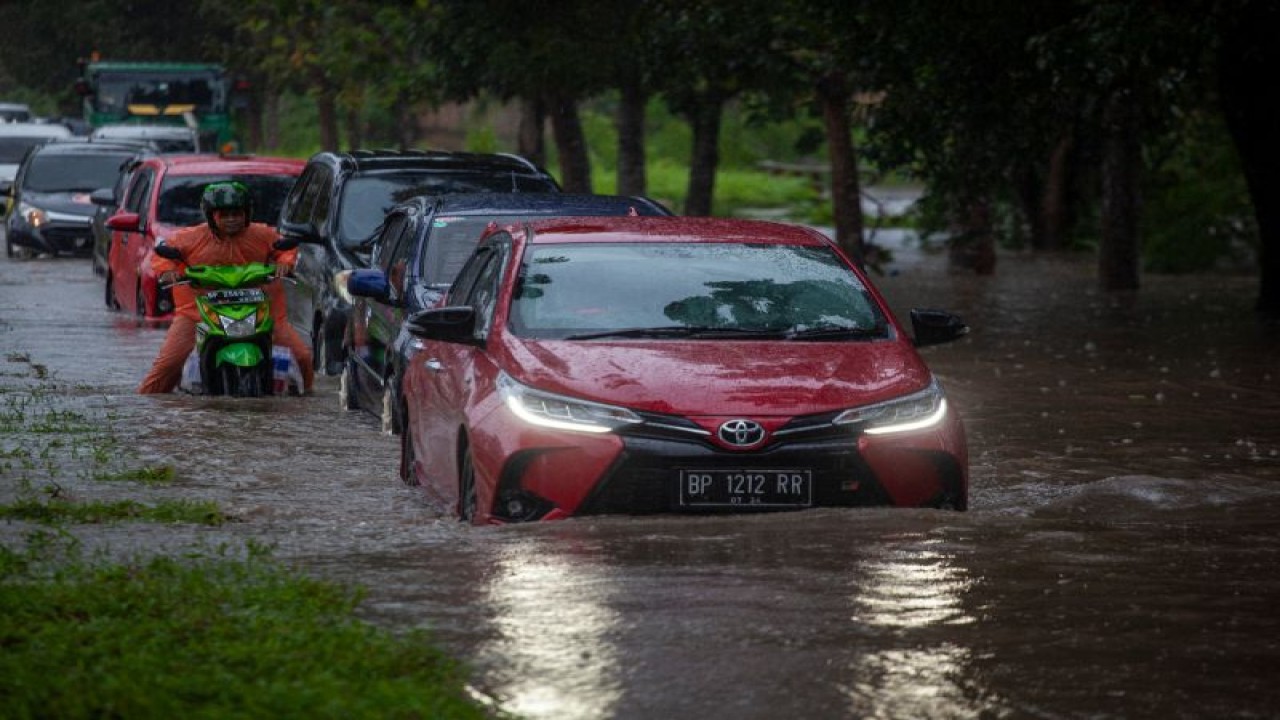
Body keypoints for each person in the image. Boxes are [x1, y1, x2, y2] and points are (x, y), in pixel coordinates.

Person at [137, 181, 314, 394]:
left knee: (302, 356)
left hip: (262, 311)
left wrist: (284, 264)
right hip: (198, 313)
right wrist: (167, 271)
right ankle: (145, 403)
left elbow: (286, 249)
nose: (232, 220)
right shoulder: (190, 237)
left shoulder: (263, 234)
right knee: (168, 364)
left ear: (247, 214)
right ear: (211, 216)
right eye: (224, 215)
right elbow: (162, 254)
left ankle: (307, 398)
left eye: (237, 214)